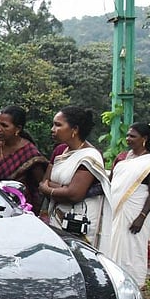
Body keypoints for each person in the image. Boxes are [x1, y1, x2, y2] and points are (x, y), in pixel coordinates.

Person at [101, 123, 150, 287]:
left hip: (135, 213)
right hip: (117, 212)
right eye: (128, 135)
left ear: (144, 139)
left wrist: (142, 216)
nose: (128, 139)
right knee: (112, 246)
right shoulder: (123, 159)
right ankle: (114, 283)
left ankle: (134, 285)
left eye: (133, 136)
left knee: (132, 250)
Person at [38, 106, 112, 248]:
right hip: (57, 216)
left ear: (75, 129)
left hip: (79, 222)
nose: (53, 129)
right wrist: (63, 188)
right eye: (53, 124)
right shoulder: (60, 150)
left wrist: (50, 189)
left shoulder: (89, 156)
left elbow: (74, 194)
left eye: (58, 125)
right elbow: (44, 182)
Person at [0, 105, 49, 214]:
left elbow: (39, 186)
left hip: (17, 208)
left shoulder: (30, 153)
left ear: (18, 129)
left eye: (4, 125)